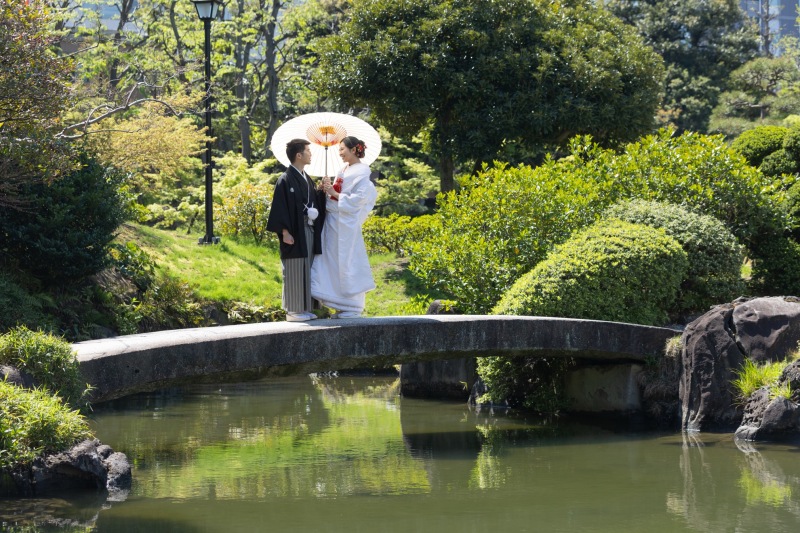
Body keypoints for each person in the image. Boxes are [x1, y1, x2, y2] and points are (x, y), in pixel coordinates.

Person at [311, 135, 378, 318]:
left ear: (354, 150)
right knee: (331, 260)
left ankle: (353, 306)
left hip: (346, 223)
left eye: (342, 149)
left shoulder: (362, 173)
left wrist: (334, 193)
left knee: (348, 261)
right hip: (334, 220)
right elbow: (336, 193)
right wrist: (326, 189)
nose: (339, 153)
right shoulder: (343, 169)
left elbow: (358, 199)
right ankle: (339, 304)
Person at [267, 138, 326, 322]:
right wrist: (284, 232)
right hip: (294, 230)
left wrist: (320, 192)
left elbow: (311, 201)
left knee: (307, 267)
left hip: (308, 227)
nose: (311, 154)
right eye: (308, 151)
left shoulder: (306, 178)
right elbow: (280, 207)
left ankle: (304, 308)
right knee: (294, 267)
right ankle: (292, 310)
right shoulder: (285, 179)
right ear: (299, 155)